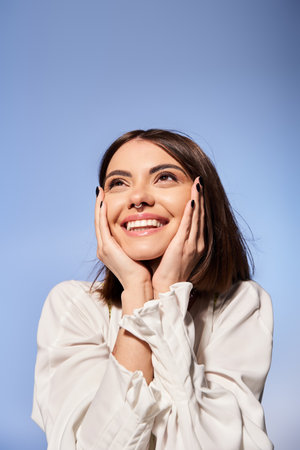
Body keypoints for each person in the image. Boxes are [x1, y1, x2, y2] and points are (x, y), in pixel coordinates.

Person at [32, 129, 273, 449]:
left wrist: (166, 293)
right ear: (101, 204)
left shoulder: (241, 304)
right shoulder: (73, 306)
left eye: (164, 178)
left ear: (202, 197)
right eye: (119, 182)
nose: (138, 197)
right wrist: (137, 290)